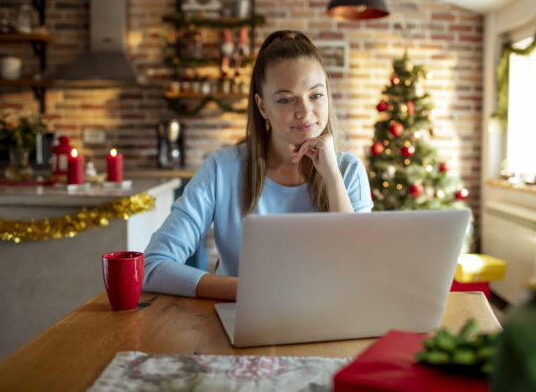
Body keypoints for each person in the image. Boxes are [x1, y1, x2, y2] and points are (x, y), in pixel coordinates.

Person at [143, 30, 373, 301]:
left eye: (316, 95)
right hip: (241, 322)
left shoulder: (348, 170)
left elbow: (361, 272)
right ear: (262, 106)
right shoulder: (222, 169)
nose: (305, 111)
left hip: (328, 323)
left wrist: (332, 177)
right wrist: (249, 291)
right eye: (286, 99)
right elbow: (153, 266)